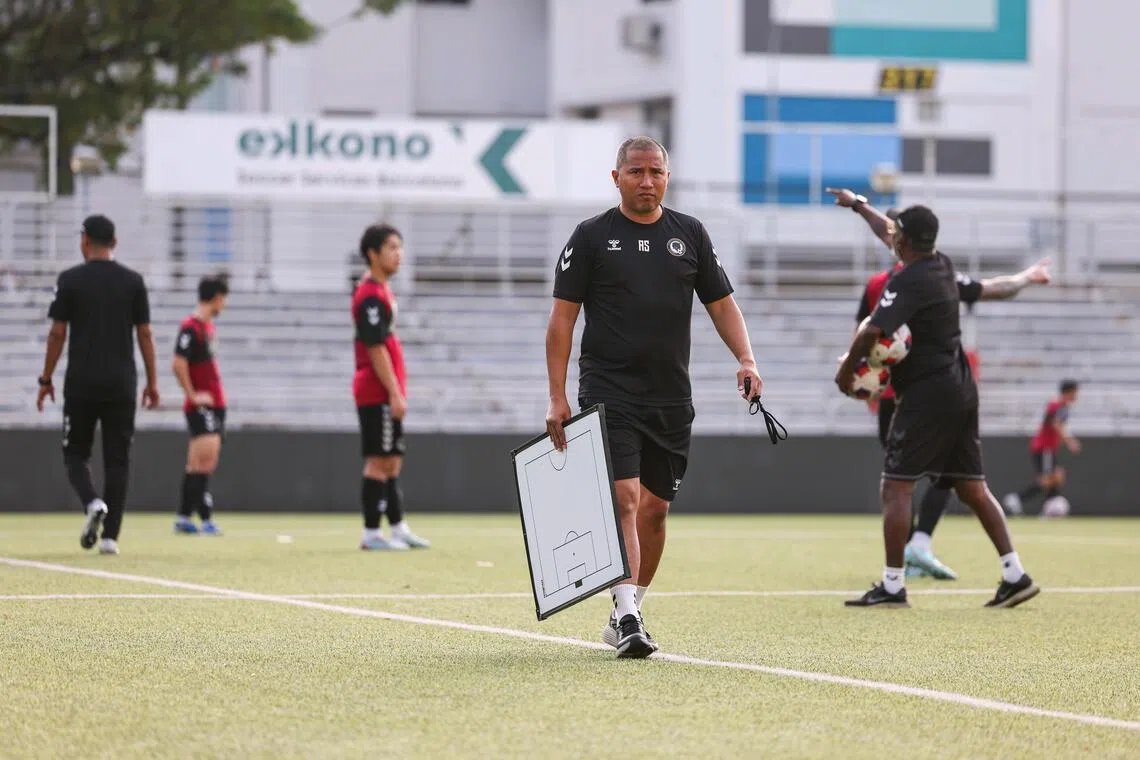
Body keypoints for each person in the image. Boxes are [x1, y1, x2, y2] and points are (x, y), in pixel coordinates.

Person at [545, 136, 763, 657]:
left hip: (670, 396)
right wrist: (557, 397)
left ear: (668, 177)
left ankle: (630, 605)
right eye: (637, 172)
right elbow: (561, 321)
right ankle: (626, 616)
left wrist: (747, 358)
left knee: (657, 510)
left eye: (656, 172)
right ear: (616, 176)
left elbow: (722, 304)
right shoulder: (591, 237)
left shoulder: (689, 234)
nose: (647, 181)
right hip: (607, 389)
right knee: (624, 498)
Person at [831, 195, 1038, 609]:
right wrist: (859, 206)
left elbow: (872, 331)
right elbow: (890, 232)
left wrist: (845, 373)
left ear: (904, 240)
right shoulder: (941, 265)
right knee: (974, 488)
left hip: (927, 395)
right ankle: (1015, 575)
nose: (891, 237)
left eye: (896, 234)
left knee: (895, 486)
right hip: (961, 389)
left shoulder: (907, 281)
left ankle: (892, 585)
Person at [36, 214, 160, 555]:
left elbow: (57, 332)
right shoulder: (133, 281)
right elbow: (145, 333)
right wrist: (152, 381)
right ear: (115, 243)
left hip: (82, 382)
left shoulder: (71, 280)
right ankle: (110, 538)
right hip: (122, 382)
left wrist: (46, 379)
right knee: (118, 459)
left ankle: (92, 502)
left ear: (84, 240)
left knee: (75, 454)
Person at [352, 224, 430, 552]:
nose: (399, 254)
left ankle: (397, 527)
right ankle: (371, 533)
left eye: (400, 247)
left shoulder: (382, 291)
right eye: (392, 248)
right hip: (376, 391)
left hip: (386, 390)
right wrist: (395, 392)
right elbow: (375, 348)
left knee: (392, 459)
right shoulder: (370, 295)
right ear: (373, 253)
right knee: (379, 461)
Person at [172, 275, 230, 536]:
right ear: (217, 297)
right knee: (205, 461)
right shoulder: (191, 327)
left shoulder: (208, 328)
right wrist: (193, 396)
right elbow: (178, 363)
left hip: (215, 403)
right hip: (202, 406)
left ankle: (190, 517)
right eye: (223, 299)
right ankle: (194, 518)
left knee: (199, 463)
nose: (224, 305)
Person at [1003, 380, 1080, 517]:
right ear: (1069, 392)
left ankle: (1050, 505)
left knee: (1057, 476)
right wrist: (1070, 441)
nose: (1077, 396)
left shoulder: (1060, 406)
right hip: (1044, 448)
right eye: (1075, 392)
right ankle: (1018, 499)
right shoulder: (1057, 405)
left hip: (1048, 448)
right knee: (1047, 479)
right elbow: (1055, 424)